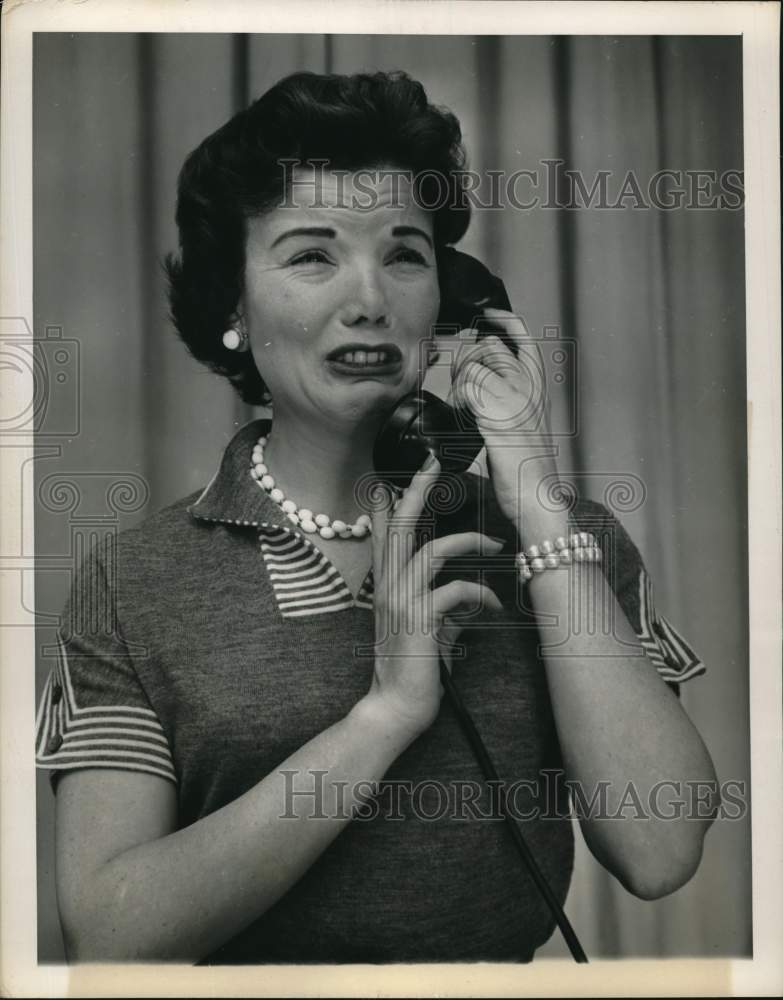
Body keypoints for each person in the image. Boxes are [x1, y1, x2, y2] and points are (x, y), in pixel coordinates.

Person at [35, 69, 719, 964]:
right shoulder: (131, 581)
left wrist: (532, 495)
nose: (369, 298)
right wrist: (384, 715)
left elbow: (659, 852)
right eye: (311, 254)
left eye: (404, 253)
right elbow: (113, 933)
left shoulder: (569, 542)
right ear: (233, 308)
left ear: (457, 298)